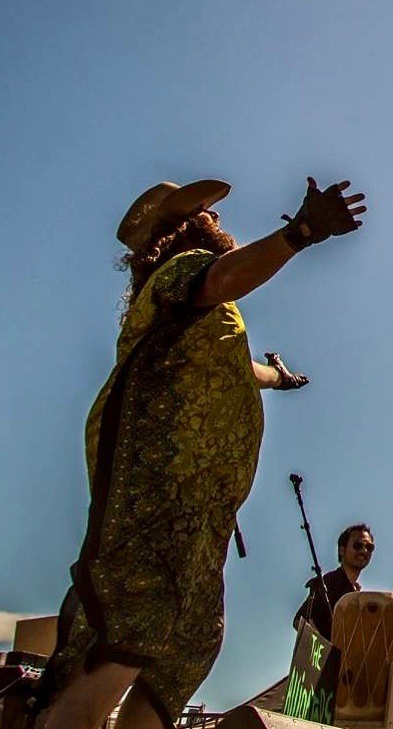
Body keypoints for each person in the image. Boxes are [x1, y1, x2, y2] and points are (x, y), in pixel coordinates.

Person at [33, 175, 366, 729]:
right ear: (183, 231)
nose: (216, 222)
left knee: (183, 653)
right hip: (156, 512)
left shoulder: (204, 318)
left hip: (200, 523)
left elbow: (239, 367)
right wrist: (301, 232)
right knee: (124, 642)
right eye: (205, 216)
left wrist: (278, 380)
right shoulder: (180, 274)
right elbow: (224, 278)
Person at [293, 523, 375, 642]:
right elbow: (300, 620)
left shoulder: (354, 591)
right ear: (342, 550)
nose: (364, 550)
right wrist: (325, 650)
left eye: (369, 547)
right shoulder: (332, 581)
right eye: (358, 545)